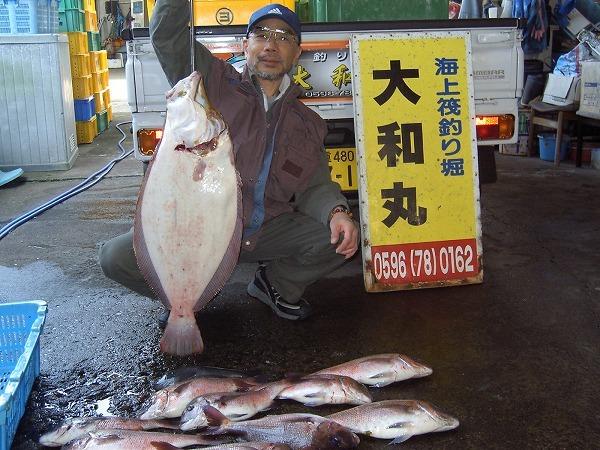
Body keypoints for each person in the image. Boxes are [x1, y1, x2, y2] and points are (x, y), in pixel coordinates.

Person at [99, 1, 359, 324]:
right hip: (199, 230)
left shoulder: (307, 123)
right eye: (261, 34)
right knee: (115, 258)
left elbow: (316, 186)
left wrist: (336, 212)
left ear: (297, 53)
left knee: (340, 238)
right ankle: (187, 294)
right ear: (245, 45)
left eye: (284, 37)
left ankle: (275, 284)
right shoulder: (213, 80)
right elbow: (168, 36)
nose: (271, 45)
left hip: (262, 232)